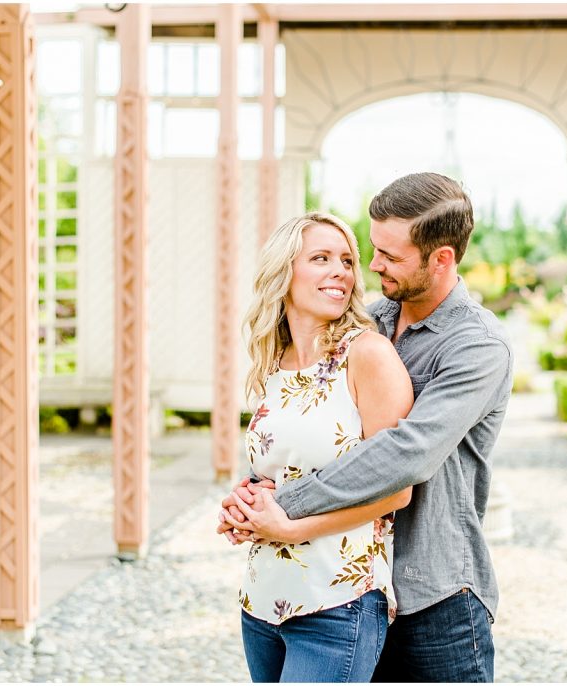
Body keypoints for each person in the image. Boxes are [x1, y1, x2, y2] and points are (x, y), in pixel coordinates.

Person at [219, 172, 514, 683]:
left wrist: (283, 506)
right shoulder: (367, 321)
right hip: (346, 582)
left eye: (390, 256)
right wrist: (251, 495)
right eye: (372, 250)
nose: (371, 266)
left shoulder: (477, 346)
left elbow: (408, 453)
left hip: (432, 595)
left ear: (441, 259)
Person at [223, 211, 415, 683]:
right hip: (262, 602)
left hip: (337, 603)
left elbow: (396, 493)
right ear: (284, 271)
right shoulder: (273, 362)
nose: (342, 271)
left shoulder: (367, 354)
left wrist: (290, 529)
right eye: (321, 258)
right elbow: (276, 473)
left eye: (347, 260)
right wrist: (241, 502)